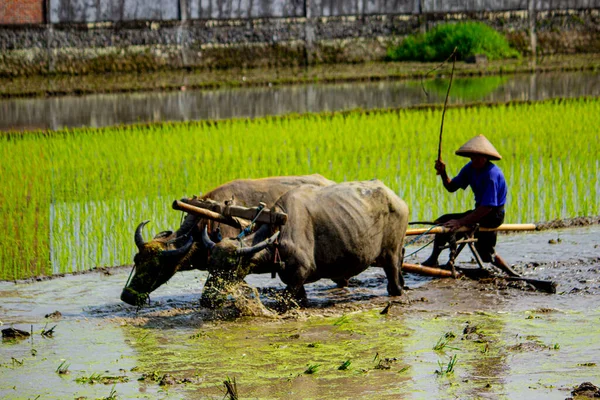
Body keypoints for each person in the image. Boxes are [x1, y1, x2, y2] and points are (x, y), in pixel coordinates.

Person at [421, 134, 518, 276]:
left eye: (479, 157)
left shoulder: (491, 174)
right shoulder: (470, 168)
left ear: (486, 157)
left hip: (492, 215)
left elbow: (488, 207)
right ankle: (433, 259)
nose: (475, 160)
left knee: (486, 255)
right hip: (480, 210)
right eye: (473, 156)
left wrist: (461, 221)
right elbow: (451, 187)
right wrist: (443, 173)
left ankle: (514, 274)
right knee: (444, 220)